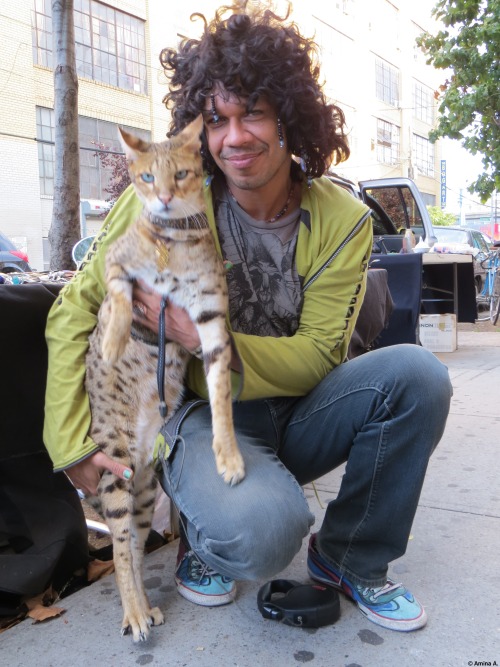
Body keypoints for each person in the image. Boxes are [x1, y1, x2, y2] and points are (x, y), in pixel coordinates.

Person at [43, 1, 452, 633]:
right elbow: (74, 307)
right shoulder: (168, 198)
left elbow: (319, 352)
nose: (234, 136)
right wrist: (71, 446)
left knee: (418, 376)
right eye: (216, 119)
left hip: (297, 406)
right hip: (198, 418)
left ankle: (350, 556)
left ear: (289, 118)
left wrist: (197, 335)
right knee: (263, 535)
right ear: (199, 130)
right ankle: (207, 538)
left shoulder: (341, 220)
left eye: (253, 112)